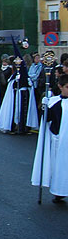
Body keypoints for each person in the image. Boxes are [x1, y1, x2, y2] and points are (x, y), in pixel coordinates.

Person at [31, 73, 68, 203]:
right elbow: (47, 120)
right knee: (59, 166)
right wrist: (45, 108)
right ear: (60, 86)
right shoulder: (55, 103)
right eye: (67, 87)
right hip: (58, 140)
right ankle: (59, 191)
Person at [0, 40, 39, 134]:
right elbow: (10, 83)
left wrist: (29, 83)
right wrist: (15, 82)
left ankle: (24, 127)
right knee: (16, 111)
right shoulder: (15, 75)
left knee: (24, 111)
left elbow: (28, 82)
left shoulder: (24, 73)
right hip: (16, 94)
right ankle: (15, 126)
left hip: (24, 93)